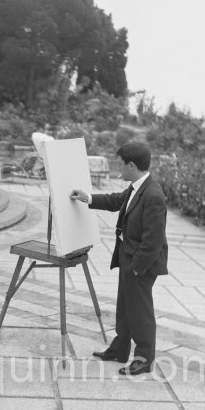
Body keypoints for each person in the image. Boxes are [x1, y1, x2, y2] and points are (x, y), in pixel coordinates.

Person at [70, 142, 168, 375]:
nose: (118, 167)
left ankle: (144, 359)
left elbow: (152, 241)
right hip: (128, 257)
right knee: (125, 306)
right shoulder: (137, 187)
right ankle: (120, 349)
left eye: (120, 164)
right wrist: (88, 198)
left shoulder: (153, 195)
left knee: (140, 311)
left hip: (141, 264)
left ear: (132, 165)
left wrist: (136, 268)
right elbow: (116, 201)